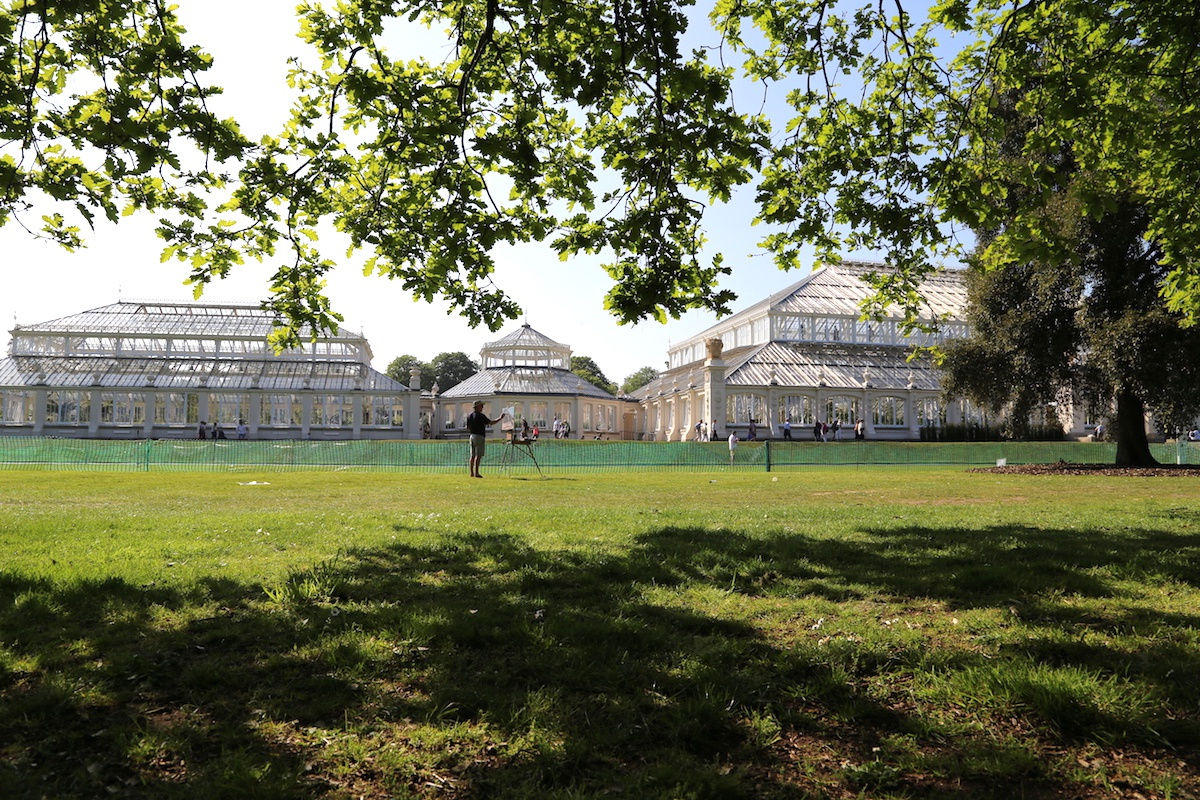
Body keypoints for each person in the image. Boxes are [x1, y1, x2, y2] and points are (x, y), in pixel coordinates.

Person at [466, 400, 505, 478]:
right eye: (481, 406)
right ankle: (476, 473)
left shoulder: (469, 416)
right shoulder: (481, 416)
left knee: (472, 456)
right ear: (477, 407)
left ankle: (471, 473)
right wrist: (500, 418)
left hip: (472, 436)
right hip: (479, 436)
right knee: (478, 455)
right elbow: (491, 423)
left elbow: (467, 428)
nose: (482, 407)